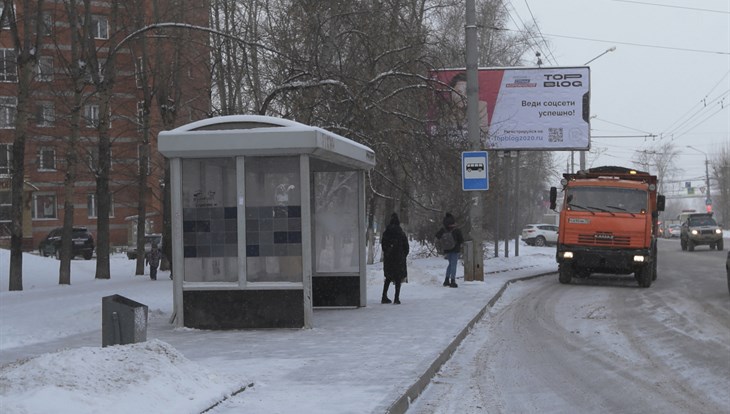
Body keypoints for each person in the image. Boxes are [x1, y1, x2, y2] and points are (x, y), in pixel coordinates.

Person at [380, 213, 409, 304]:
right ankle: (396, 298)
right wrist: (403, 255)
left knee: (388, 278)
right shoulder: (401, 233)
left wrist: (388, 253)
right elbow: (406, 247)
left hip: (389, 259)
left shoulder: (386, 233)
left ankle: (384, 296)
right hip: (399, 259)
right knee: (397, 278)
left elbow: (383, 246)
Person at [435, 212, 464, 288]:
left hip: (447, 249)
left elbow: (437, 236)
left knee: (450, 264)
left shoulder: (443, 229)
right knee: (453, 265)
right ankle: (453, 281)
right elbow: (461, 240)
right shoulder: (456, 230)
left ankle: (446, 280)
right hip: (455, 249)